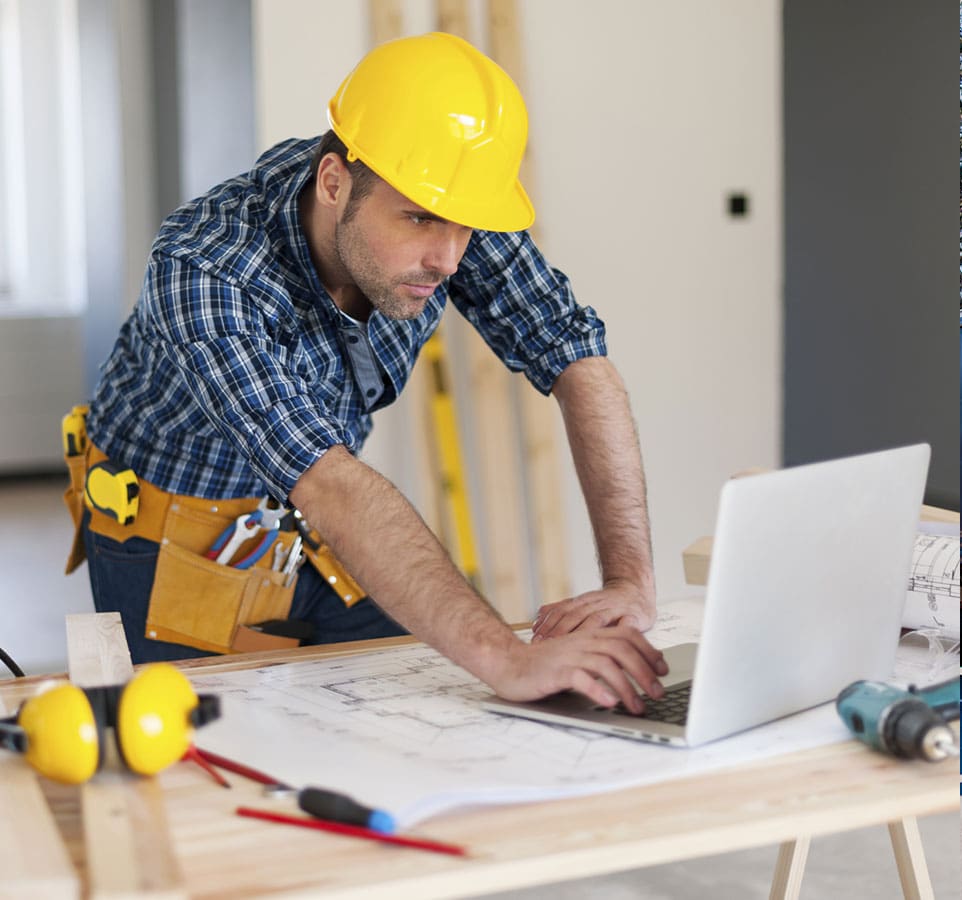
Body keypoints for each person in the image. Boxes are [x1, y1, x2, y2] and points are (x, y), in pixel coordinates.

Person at [65, 32, 666, 714]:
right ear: (333, 182)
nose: (447, 258)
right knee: (205, 762)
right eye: (418, 220)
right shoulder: (205, 269)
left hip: (304, 528)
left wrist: (630, 582)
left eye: (464, 228)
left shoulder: (442, 198)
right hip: (168, 537)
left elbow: (577, 357)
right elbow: (328, 480)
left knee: (426, 716)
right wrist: (507, 655)